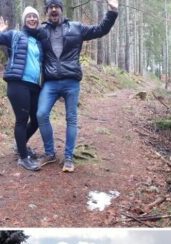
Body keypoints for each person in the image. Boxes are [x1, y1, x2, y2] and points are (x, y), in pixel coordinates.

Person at [36, 0, 119, 172]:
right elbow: (23, 37)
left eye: (56, 7)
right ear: (46, 11)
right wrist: (1, 32)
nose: (53, 10)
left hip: (71, 81)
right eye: (50, 7)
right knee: (41, 114)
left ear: (61, 10)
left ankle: (68, 157)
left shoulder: (76, 27)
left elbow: (100, 30)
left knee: (71, 119)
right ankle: (50, 153)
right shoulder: (41, 31)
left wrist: (112, 11)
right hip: (50, 82)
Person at [0, 1, 43, 171]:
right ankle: (23, 157)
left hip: (34, 86)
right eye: (29, 16)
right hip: (18, 83)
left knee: (37, 119)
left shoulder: (38, 41)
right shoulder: (14, 34)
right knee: (22, 120)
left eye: (34, 17)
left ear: (38, 20)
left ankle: (20, 145)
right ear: (24, 20)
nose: (32, 19)